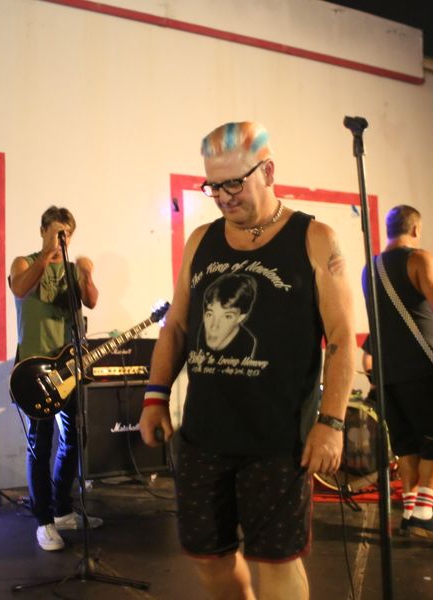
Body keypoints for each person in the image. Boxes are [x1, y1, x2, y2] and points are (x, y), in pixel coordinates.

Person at [139, 121, 355, 600]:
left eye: (233, 183)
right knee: (207, 555)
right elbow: (177, 326)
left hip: (278, 441)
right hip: (203, 436)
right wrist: (155, 397)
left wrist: (332, 422)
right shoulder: (201, 241)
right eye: (213, 185)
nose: (222, 196)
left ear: (268, 171)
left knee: (277, 562)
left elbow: (342, 339)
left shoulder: (314, 238)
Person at [362, 204, 433, 544]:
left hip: (386, 371)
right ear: (415, 229)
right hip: (423, 365)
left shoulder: (370, 268)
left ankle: (410, 513)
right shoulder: (420, 259)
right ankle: (425, 515)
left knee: (406, 443)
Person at [9, 206, 102, 552]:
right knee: (40, 443)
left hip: (69, 366)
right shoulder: (23, 262)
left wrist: (86, 273)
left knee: (74, 437)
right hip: (35, 369)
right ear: (43, 231)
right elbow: (21, 289)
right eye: (56, 232)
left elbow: (91, 301)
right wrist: (47, 255)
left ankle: (62, 509)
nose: (63, 238)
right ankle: (43, 521)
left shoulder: (73, 270)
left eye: (67, 234)